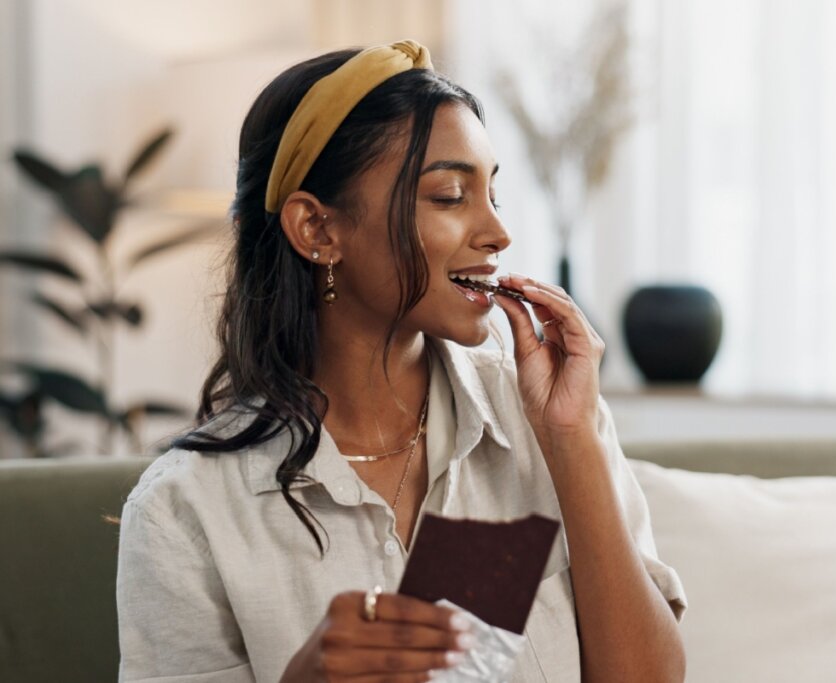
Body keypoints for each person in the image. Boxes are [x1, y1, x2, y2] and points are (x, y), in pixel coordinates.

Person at [116, 40, 687, 683]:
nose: (497, 232)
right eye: (449, 195)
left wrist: (570, 440)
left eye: (492, 194)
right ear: (318, 231)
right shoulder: (185, 508)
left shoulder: (549, 419)